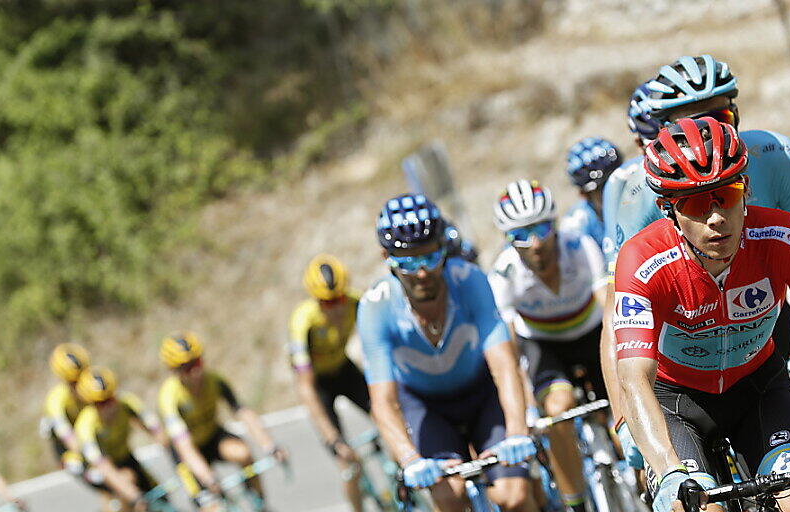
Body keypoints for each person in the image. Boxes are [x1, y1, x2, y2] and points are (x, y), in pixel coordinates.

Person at [609, 117, 790, 512]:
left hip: (758, 386)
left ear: (747, 189)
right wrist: (667, 468)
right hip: (676, 399)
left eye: (726, 194)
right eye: (694, 202)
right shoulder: (642, 260)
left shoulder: (786, 236)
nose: (715, 217)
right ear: (667, 209)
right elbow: (634, 377)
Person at [599, 57, 790, 431]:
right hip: (680, 341)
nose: (706, 128)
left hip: (764, 322)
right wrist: (625, 419)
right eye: (688, 122)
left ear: (736, 114)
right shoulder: (635, 188)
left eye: (719, 118)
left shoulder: (777, 156)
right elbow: (616, 316)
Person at [358, 193, 538, 512]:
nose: (422, 273)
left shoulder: (469, 281)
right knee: (449, 498)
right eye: (408, 263)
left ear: (444, 249)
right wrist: (410, 459)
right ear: (386, 257)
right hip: (426, 407)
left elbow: (504, 366)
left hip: (481, 394)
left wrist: (517, 433)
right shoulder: (376, 307)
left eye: (429, 258)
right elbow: (384, 403)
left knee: (514, 496)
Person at [489, 179, 609, 512]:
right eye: (520, 235)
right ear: (507, 239)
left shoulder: (580, 246)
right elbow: (509, 353)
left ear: (555, 223)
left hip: (591, 333)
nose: (535, 243)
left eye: (541, 227)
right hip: (543, 345)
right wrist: (527, 409)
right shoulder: (503, 275)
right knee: (557, 411)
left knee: (618, 413)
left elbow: (610, 313)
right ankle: (577, 504)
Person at [158, 331, 287, 506]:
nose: (196, 371)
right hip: (189, 451)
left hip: (213, 437)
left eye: (198, 362)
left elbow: (243, 412)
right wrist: (208, 479)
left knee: (244, 454)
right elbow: (184, 447)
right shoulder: (169, 398)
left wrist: (270, 445)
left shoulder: (214, 380)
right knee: (211, 506)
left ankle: (260, 504)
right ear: (175, 371)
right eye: (187, 367)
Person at [290, 254, 371, 512]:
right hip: (318, 384)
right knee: (348, 466)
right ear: (316, 300)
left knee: (391, 420)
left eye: (339, 299)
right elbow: (305, 387)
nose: (336, 308)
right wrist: (333, 439)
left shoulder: (357, 303)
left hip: (345, 370)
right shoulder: (303, 322)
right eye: (328, 302)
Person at [74, 366, 168, 511]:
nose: (108, 407)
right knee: (129, 486)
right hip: (97, 469)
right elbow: (103, 466)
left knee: (160, 497)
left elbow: (157, 430)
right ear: (91, 404)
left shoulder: (126, 402)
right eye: (101, 404)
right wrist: (133, 495)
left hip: (124, 457)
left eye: (110, 399)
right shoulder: (86, 426)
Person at [41, 343, 91, 478]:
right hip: (71, 448)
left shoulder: (93, 389)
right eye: (74, 381)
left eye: (83, 376)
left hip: (91, 437)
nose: (80, 384)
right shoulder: (56, 401)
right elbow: (68, 437)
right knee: (80, 466)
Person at [561, 138, 623, 248]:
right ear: (584, 195)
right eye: (603, 187)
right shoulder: (576, 227)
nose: (615, 189)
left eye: (619, 180)